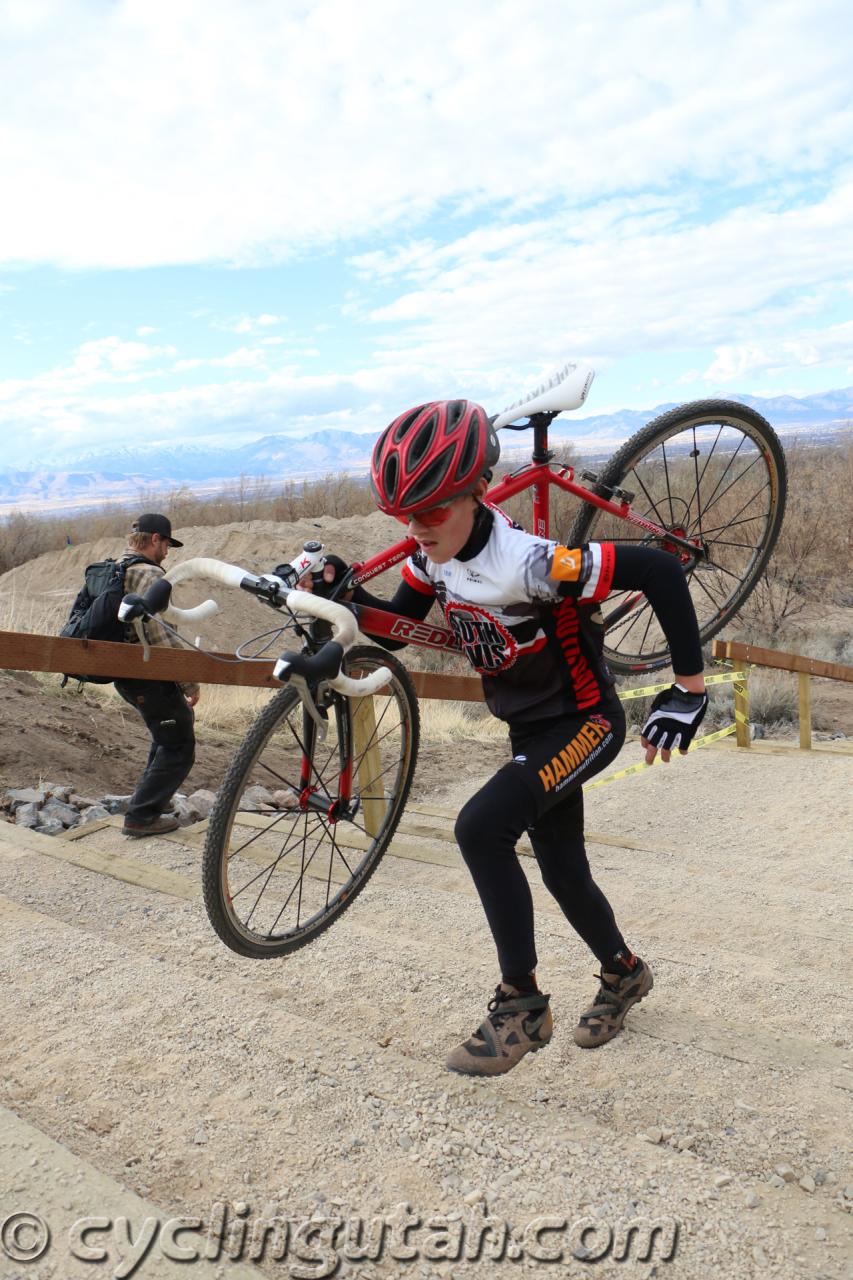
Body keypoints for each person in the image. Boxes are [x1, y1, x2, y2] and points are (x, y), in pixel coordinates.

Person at [311, 400, 708, 1076]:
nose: (417, 528)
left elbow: (661, 571)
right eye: (405, 515)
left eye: (433, 510)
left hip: (584, 723)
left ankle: (519, 1004)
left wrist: (688, 691)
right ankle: (625, 973)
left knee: (480, 827)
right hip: (531, 727)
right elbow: (392, 633)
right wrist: (337, 599)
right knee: (561, 871)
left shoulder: (528, 563)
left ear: (474, 493)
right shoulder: (428, 558)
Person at [114, 513, 200, 838]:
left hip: (125, 671)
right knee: (179, 743)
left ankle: (155, 800)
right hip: (146, 672)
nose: (167, 552)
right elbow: (160, 634)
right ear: (154, 540)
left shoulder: (118, 567)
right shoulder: (149, 575)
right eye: (166, 544)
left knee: (168, 732)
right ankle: (141, 816)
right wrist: (189, 681)